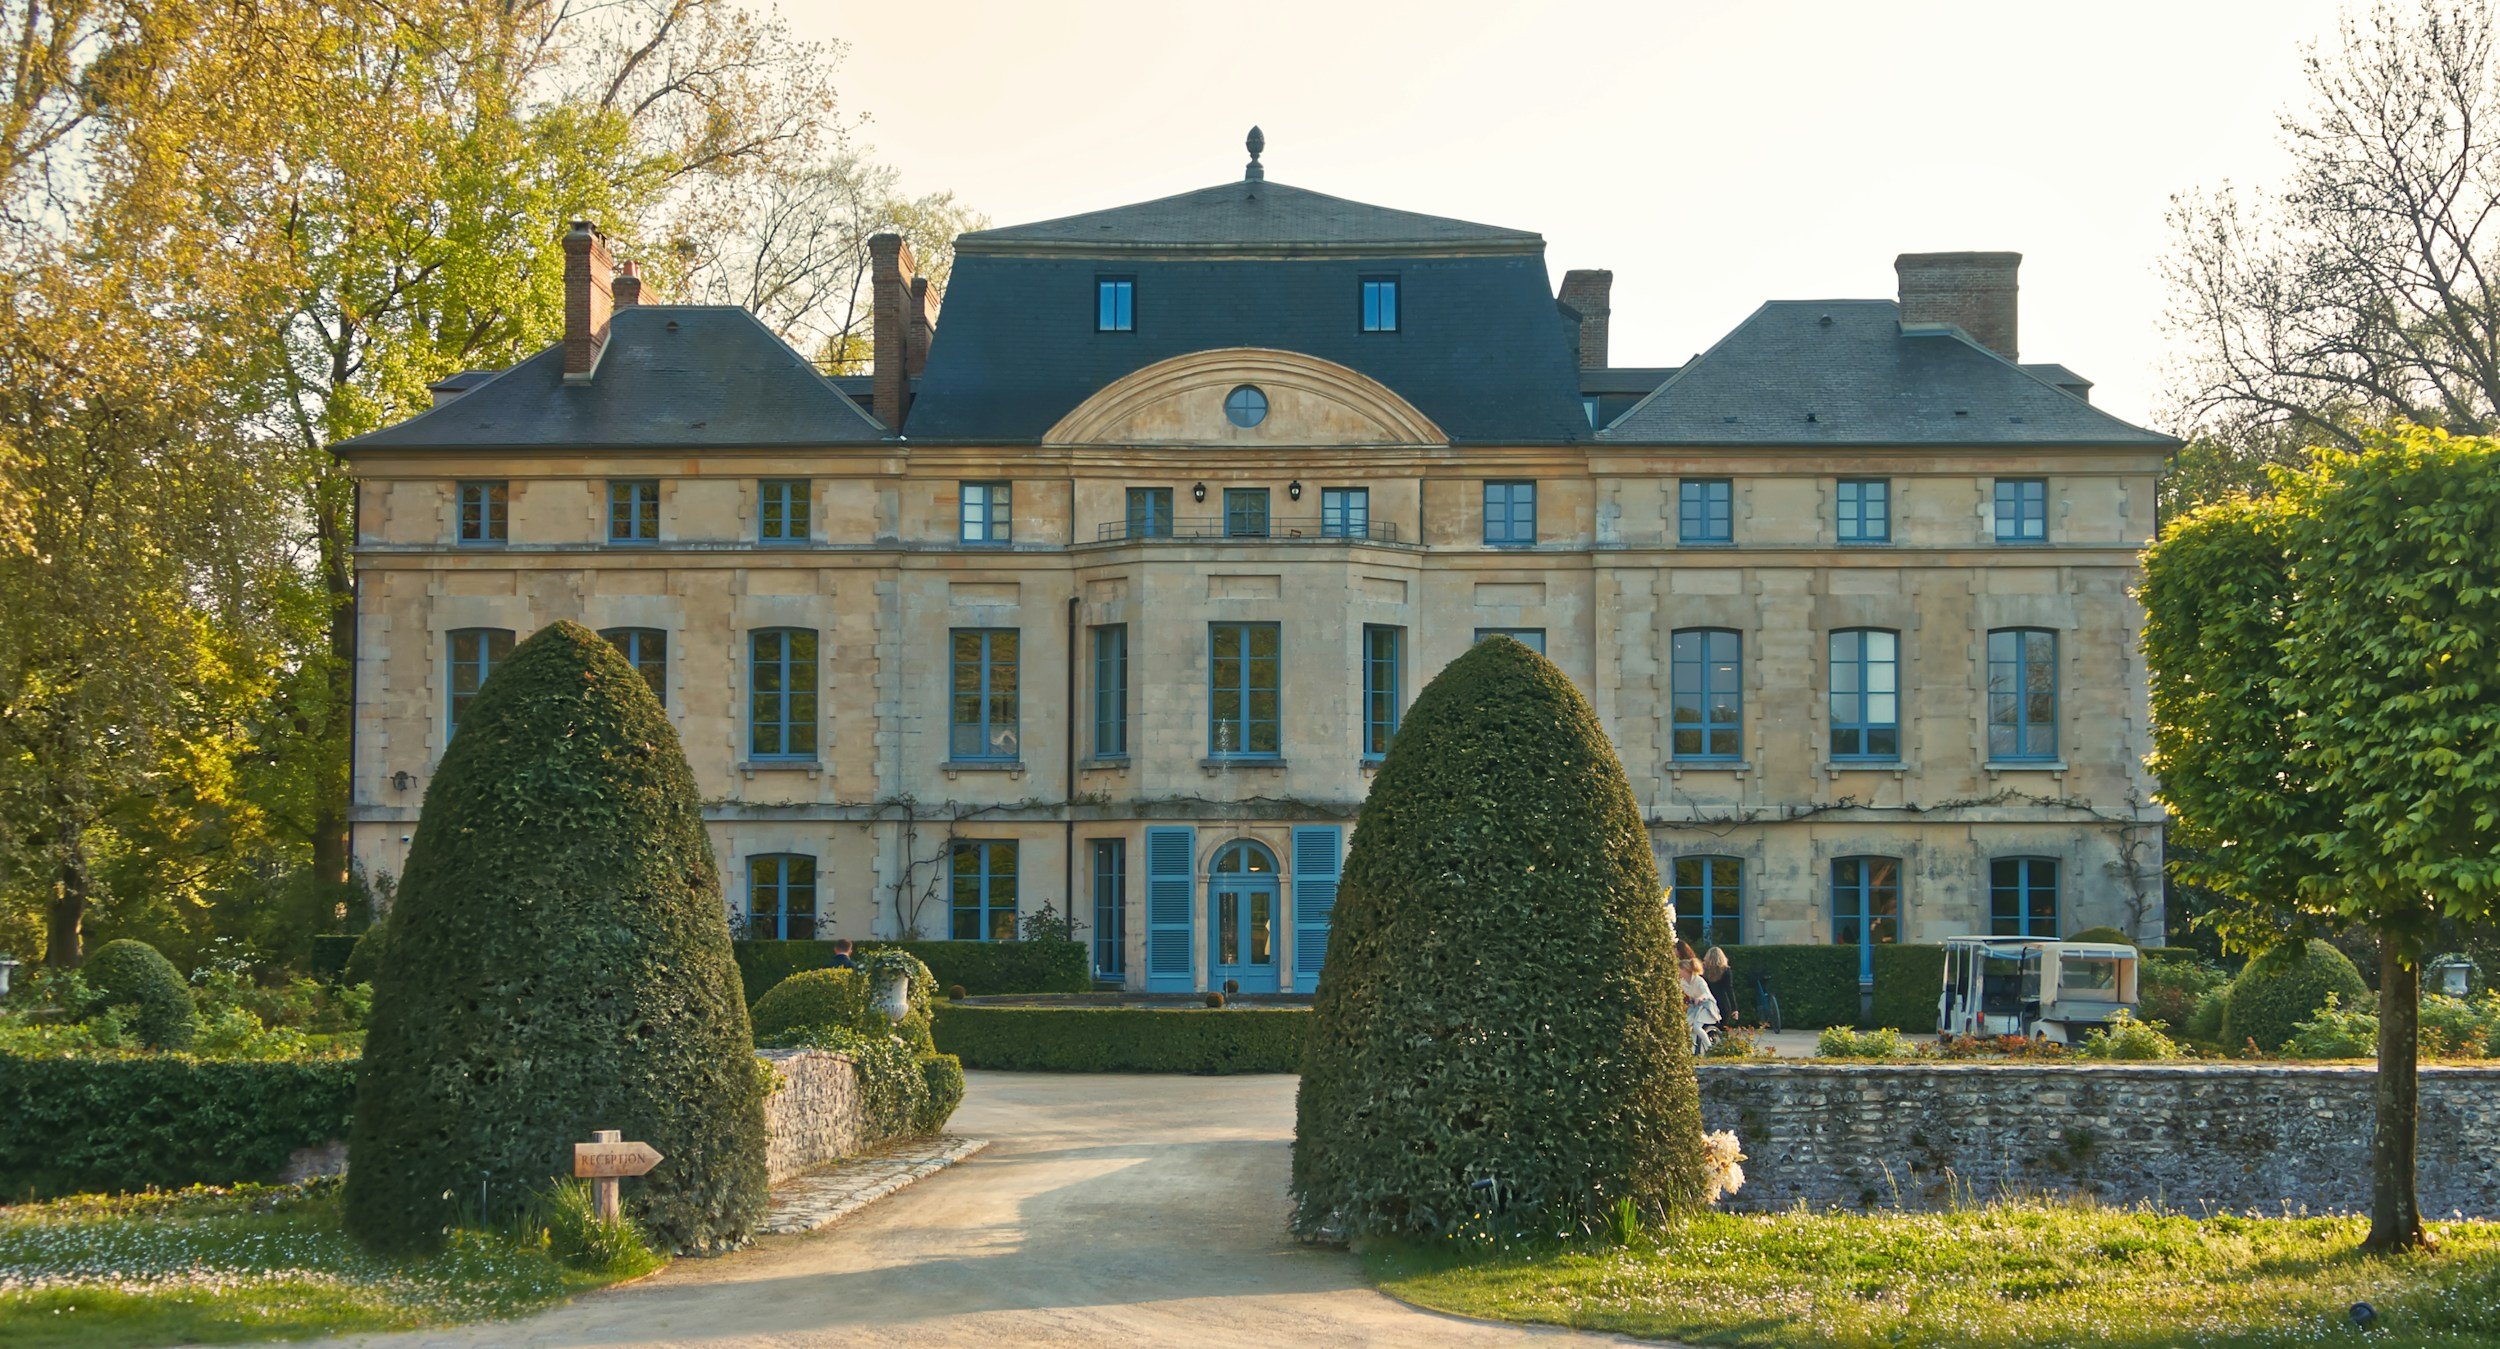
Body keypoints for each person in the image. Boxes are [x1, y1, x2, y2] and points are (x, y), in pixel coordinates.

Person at [1678, 952, 1719, 1057]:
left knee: (1697, 1027)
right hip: (1695, 1007)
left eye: (1679, 970)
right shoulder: (1682, 982)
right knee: (1684, 1026)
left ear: (1685, 970)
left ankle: (1710, 1049)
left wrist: (1700, 997)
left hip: (1707, 1005)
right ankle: (1684, 1049)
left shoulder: (1698, 980)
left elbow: (1706, 993)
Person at [1702, 946, 1738, 1027]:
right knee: (1723, 1028)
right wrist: (1734, 1008)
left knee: (1706, 1028)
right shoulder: (1726, 971)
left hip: (1708, 1002)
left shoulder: (1704, 970)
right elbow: (1729, 990)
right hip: (1722, 1003)